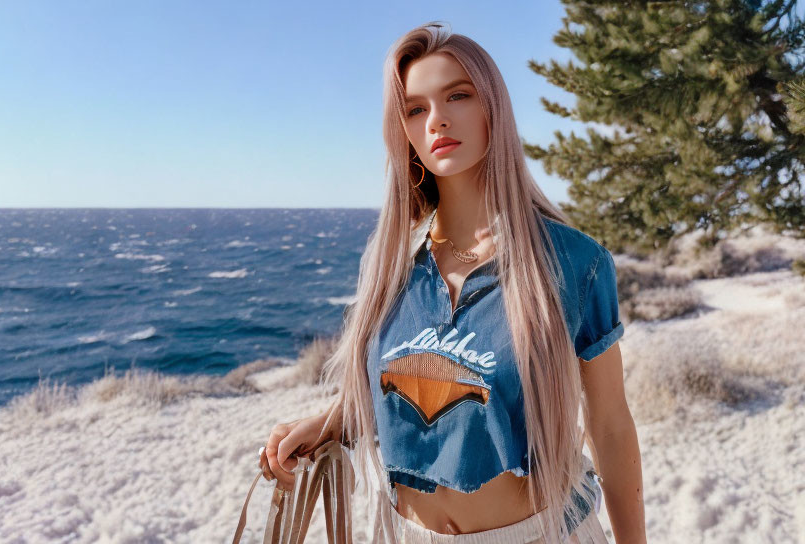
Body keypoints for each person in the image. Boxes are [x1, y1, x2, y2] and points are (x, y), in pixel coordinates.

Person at [261, 21, 646, 543]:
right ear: (404, 133)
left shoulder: (574, 263)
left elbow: (611, 426)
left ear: (493, 108)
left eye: (457, 96)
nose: (437, 120)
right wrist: (330, 423)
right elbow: (412, 376)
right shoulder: (391, 268)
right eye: (416, 109)